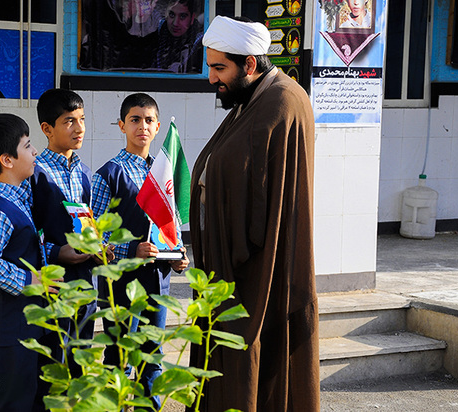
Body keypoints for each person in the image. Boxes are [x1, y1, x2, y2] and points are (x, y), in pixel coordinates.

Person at [188, 16, 320, 412]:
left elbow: (263, 196)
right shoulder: (255, 97)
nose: (212, 79)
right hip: (239, 261)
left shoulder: (281, 101)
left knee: (257, 357)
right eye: (210, 67)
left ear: (249, 64)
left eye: (219, 68)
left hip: (262, 265)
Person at [91, 92, 190, 411]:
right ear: (122, 125)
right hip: (120, 285)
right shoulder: (109, 174)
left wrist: (178, 254)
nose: (142, 127)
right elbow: (95, 236)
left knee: (152, 357)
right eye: (134, 120)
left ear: (158, 127)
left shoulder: (165, 173)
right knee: (120, 358)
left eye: (149, 121)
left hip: (157, 283)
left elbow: (169, 225)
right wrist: (133, 248)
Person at [0, 113, 61, 411]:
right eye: (28, 145)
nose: (35, 153)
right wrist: (28, 281)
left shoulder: (17, 198)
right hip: (1, 339)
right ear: (7, 160)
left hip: (17, 332)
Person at [30, 88, 106, 373]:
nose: (79, 128)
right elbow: (26, 230)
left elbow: (87, 223)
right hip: (53, 283)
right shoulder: (34, 172)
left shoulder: (85, 173)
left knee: (80, 359)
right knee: (52, 365)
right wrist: (55, 251)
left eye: (82, 119)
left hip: (84, 283)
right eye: (69, 121)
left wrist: (99, 246)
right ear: (47, 129)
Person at [155, 0, 204, 73]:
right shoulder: (158, 34)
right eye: (171, 15)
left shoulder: (200, 43)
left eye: (182, 16)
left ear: (192, 18)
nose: (175, 23)